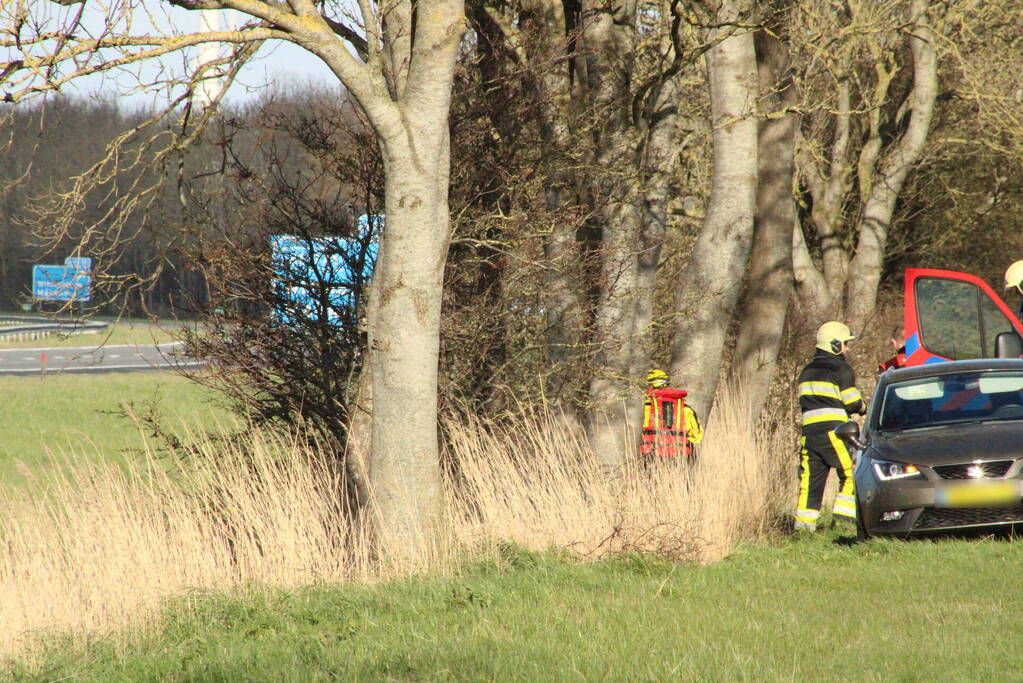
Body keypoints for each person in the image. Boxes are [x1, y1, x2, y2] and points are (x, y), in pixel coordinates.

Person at [794, 322, 866, 531]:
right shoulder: (841, 369)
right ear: (835, 345)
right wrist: (863, 407)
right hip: (835, 433)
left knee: (810, 483)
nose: (847, 349)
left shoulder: (806, 371)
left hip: (809, 436)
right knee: (851, 473)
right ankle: (843, 524)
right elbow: (852, 403)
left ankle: (804, 529)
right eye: (845, 344)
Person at [641, 369, 703, 459]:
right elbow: (697, 436)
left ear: (651, 385)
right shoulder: (685, 408)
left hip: (651, 456)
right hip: (680, 456)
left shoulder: (644, 407)